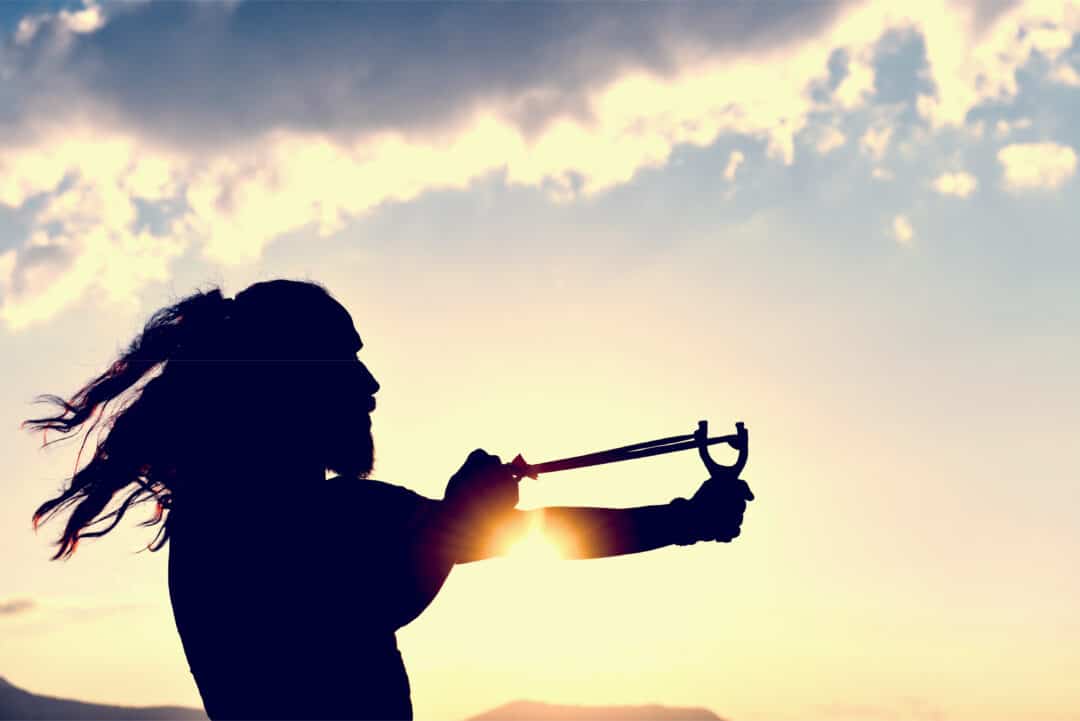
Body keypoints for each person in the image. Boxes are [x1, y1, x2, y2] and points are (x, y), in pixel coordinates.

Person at [25, 279, 754, 721]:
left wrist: (686, 519)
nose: (371, 386)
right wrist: (463, 516)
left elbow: (535, 535)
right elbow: (359, 595)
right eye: (346, 362)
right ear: (288, 382)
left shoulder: (258, 513)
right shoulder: (254, 522)